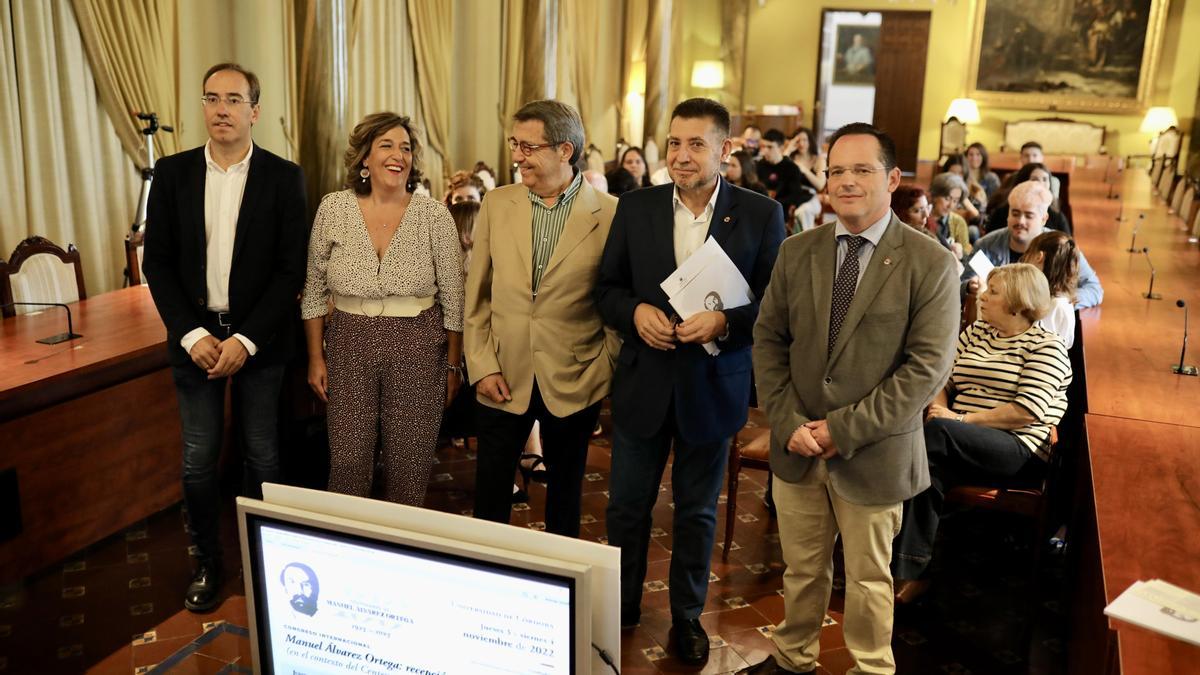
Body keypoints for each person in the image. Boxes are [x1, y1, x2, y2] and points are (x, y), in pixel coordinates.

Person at [743, 122, 960, 675]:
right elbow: (768, 340)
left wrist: (839, 430)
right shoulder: (798, 252)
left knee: (868, 580)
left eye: (860, 170)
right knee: (801, 570)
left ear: (891, 179)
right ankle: (793, 658)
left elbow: (924, 371)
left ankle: (870, 668)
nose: (845, 181)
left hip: (873, 452)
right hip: (797, 444)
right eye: (835, 170)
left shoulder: (930, 264)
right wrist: (789, 420)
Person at [596, 97, 785, 665]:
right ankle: (622, 605)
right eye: (675, 143)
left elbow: (776, 307)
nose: (681, 155)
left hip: (711, 383)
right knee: (626, 506)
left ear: (725, 150)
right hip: (644, 382)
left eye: (695, 144)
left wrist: (727, 320)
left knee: (697, 511)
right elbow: (606, 288)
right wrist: (634, 313)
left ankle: (686, 616)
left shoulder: (759, 214)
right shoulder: (636, 207)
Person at [142, 63, 309, 612]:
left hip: (258, 343)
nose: (221, 109)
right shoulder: (171, 173)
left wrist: (248, 341)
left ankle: (269, 563)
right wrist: (190, 334)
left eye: (233, 99)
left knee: (262, 454)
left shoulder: (285, 178)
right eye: (211, 97)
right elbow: (157, 262)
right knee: (198, 458)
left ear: (254, 111)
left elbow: (291, 270)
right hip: (195, 340)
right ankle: (208, 563)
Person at [464, 99, 619, 538]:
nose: (517, 156)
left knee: (566, 501)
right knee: (490, 497)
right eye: (515, 144)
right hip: (501, 374)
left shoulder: (610, 214)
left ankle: (557, 593)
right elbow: (476, 297)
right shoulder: (497, 203)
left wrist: (602, 369)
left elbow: (615, 304)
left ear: (565, 151)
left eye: (528, 147)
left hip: (575, 377)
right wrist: (482, 365)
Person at [301, 112, 465, 506]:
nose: (399, 155)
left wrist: (452, 366)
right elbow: (313, 290)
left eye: (406, 148)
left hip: (418, 345)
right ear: (364, 159)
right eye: (386, 145)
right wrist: (314, 357)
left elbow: (454, 298)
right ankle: (345, 554)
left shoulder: (433, 215)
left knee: (409, 467)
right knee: (347, 465)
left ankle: (400, 559)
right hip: (349, 342)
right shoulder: (333, 208)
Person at [892, 263, 1072, 603]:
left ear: (1018, 303)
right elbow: (943, 378)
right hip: (954, 439)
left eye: (993, 292)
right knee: (928, 469)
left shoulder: (1047, 347)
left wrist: (957, 419)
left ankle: (871, 532)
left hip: (1017, 448)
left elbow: (1024, 412)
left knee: (926, 440)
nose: (983, 296)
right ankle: (911, 571)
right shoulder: (977, 332)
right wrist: (939, 410)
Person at [967, 182, 1101, 308]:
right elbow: (960, 284)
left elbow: (1094, 289)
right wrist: (969, 286)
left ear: (1044, 219)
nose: (1020, 221)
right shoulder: (985, 245)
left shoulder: (1061, 247)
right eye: (1015, 213)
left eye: (1029, 216)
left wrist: (1056, 303)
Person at [1020, 231, 1079, 348]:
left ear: (1038, 257)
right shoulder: (1057, 300)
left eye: (1027, 254)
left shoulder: (1056, 305)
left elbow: (1031, 345)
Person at [986, 162, 1072, 236]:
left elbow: (1069, 248)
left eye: (1045, 180)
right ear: (1022, 181)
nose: (1041, 184)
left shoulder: (1057, 217)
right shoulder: (1001, 213)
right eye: (1035, 179)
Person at [757, 128, 812, 227]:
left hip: (780, 212)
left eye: (770, 147)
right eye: (763, 146)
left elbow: (795, 195)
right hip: (759, 209)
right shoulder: (758, 165)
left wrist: (773, 202)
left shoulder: (791, 168)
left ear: (781, 148)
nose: (765, 151)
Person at [787, 127, 827, 231]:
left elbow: (820, 185)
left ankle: (806, 241)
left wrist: (804, 170)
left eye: (804, 140)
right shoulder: (791, 158)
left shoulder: (819, 160)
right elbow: (780, 169)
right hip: (792, 197)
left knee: (803, 211)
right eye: (797, 141)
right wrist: (788, 149)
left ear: (810, 141)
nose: (801, 144)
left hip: (811, 198)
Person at [928, 172, 973, 258]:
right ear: (934, 196)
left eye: (955, 201)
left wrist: (961, 253)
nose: (951, 205)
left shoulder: (959, 222)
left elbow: (967, 254)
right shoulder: (922, 218)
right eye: (947, 199)